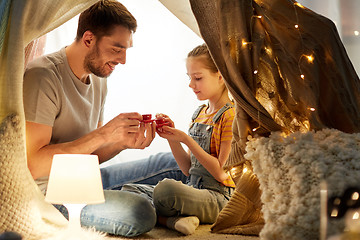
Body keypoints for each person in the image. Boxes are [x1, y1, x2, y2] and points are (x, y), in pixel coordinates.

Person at [23, 0, 185, 237]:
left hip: (86, 179)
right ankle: (153, 203)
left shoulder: (99, 78)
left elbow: (91, 155)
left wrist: (121, 142)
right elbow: (33, 165)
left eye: (126, 50)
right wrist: (103, 134)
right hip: (52, 195)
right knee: (139, 212)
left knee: (174, 163)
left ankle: (153, 200)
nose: (123, 60)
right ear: (88, 39)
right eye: (117, 49)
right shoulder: (43, 77)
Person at [120, 44, 236, 235]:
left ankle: (167, 218)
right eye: (190, 78)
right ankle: (173, 221)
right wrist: (172, 138)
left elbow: (222, 174)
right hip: (194, 189)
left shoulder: (230, 116)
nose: (191, 84)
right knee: (129, 190)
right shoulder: (199, 113)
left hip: (218, 197)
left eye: (198, 78)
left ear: (221, 76)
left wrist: (186, 139)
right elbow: (187, 169)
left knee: (165, 190)